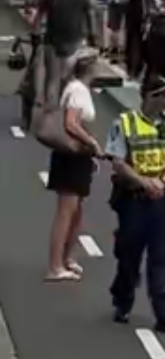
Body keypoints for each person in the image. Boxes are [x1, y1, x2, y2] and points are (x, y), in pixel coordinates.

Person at [105, 74, 165, 333]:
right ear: (145, 97)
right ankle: (123, 300)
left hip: (162, 199)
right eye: (159, 96)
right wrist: (144, 182)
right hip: (133, 201)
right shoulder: (125, 123)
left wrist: (161, 182)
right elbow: (118, 163)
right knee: (129, 256)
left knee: (160, 257)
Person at [44, 54, 102, 283]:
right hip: (71, 155)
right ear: (90, 68)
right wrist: (92, 143)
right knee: (66, 213)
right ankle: (55, 266)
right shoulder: (78, 90)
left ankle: (66, 258)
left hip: (78, 155)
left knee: (76, 213)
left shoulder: (79, 88)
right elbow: (71, 123)